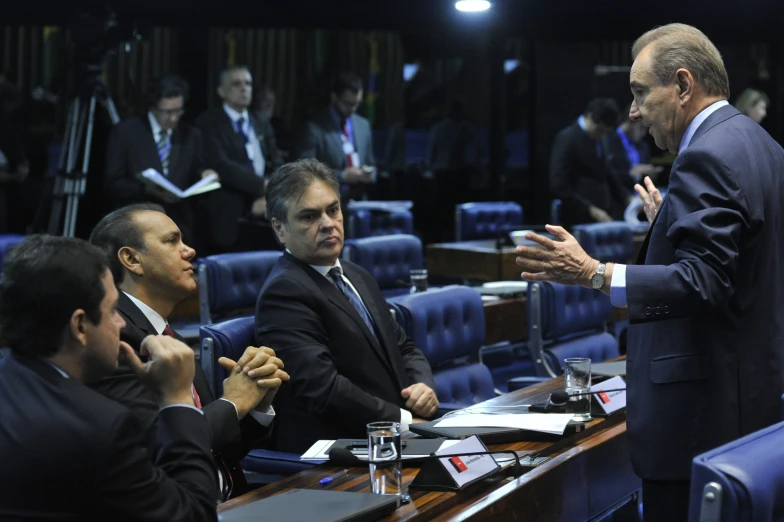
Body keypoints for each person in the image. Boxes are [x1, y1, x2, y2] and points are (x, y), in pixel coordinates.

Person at [514, 24, 784, 522]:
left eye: (640, 92)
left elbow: (704, 280)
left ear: (683, 86)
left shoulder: (706, 154)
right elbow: (745, 262)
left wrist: (595, 272)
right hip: (751, 407)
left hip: (699, 423)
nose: (633, 111)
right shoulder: (761, 144)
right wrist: (672, 220)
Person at [0, 235, 218, 521]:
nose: (121, 323)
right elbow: (193, 515)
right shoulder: (101, 427)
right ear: (79, 325)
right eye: (112, 310)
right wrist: (177, 399)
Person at [88, 203, 289, 500]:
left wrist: (255, 402)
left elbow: (214, 446)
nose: (189, 250)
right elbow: (161, 445)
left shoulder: (171, 337)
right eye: (172, 241)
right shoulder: (117, 343)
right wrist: (233, 402)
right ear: (132, 259)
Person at [255, 159, 437, 453]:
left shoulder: (356, 274)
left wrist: (422, 386)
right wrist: (403, 420)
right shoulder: (284, 292)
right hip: (340, 450)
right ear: (280, 229)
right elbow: (324, 390)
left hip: (394, 435)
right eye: (309, 216)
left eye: (333, 209)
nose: (328, 223)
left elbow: (403, 347)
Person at [104, 74, 214, 244]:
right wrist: (145, 189)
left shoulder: (191, 135)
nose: (173, 118)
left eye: (178, 110)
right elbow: (113, 182)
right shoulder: (126, 132)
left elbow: (195, 170)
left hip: (178, 226)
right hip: (137, 225)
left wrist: (205, 174)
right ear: (153, 107)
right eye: (167, 112)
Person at [196, 66, 283, 253]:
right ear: (221, 91)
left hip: (267, 209)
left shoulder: (261, 121)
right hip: (230, 211)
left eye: (248, 84)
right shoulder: (208, 122)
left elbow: (275, 159)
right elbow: (221, 165)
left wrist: (271, 190)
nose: (244, 89)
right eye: (237, 84)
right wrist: (261, 187)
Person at [550, 97, 632, 226]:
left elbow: (607, 173)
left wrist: (627, 197)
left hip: (603, 213)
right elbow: (559, 184)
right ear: (589, 117)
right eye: (600, 130)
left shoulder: (600, 138)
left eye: (606, 132)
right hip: (577, 217)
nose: (603, 135)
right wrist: (590, 209)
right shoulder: (567, 138)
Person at [296, 72, 376, 203]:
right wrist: (342, 176)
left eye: (357, 104)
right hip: (328, 201)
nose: (352, 109)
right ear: (334, 97)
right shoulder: (314, 128)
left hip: (361, 199)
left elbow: (371, 164)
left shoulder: (363, 126)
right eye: (348, 104)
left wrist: (369, 174)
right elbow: (305, 172)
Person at [604, 104, 659, 189]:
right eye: (642, 127)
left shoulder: (643, 146)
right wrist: (631, 173)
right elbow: (607, 175)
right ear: (630, 121)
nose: (644, 133)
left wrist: (650, 174)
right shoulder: (608, 141)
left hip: (640, 195)